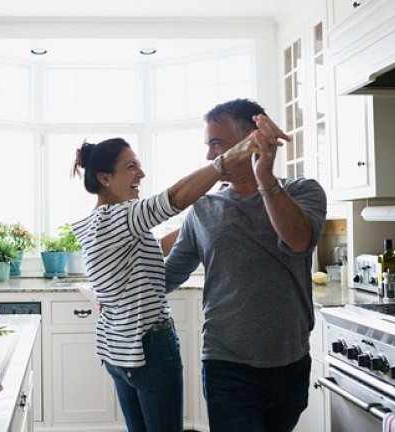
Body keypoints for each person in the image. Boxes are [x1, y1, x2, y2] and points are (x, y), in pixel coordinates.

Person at [70, 119, 287, 432]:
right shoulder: (121, 216)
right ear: (105, 178)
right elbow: (173, 199)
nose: (141, 174)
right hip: (148, 346)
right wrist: (229, 159)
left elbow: (152, 249)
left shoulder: (96, 223)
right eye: (131, 167)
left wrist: (198, 220)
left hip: (117, 349)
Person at [164, 98, 327, 432]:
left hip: (292, 361)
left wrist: (264, 177)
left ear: (251, 140)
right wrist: (118, 290)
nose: (210, 156)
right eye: (209, 146)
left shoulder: (303, 191)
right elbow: (168, 275)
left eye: (217, 144)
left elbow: (298, 241)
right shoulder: (203, 208)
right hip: (227, 364)